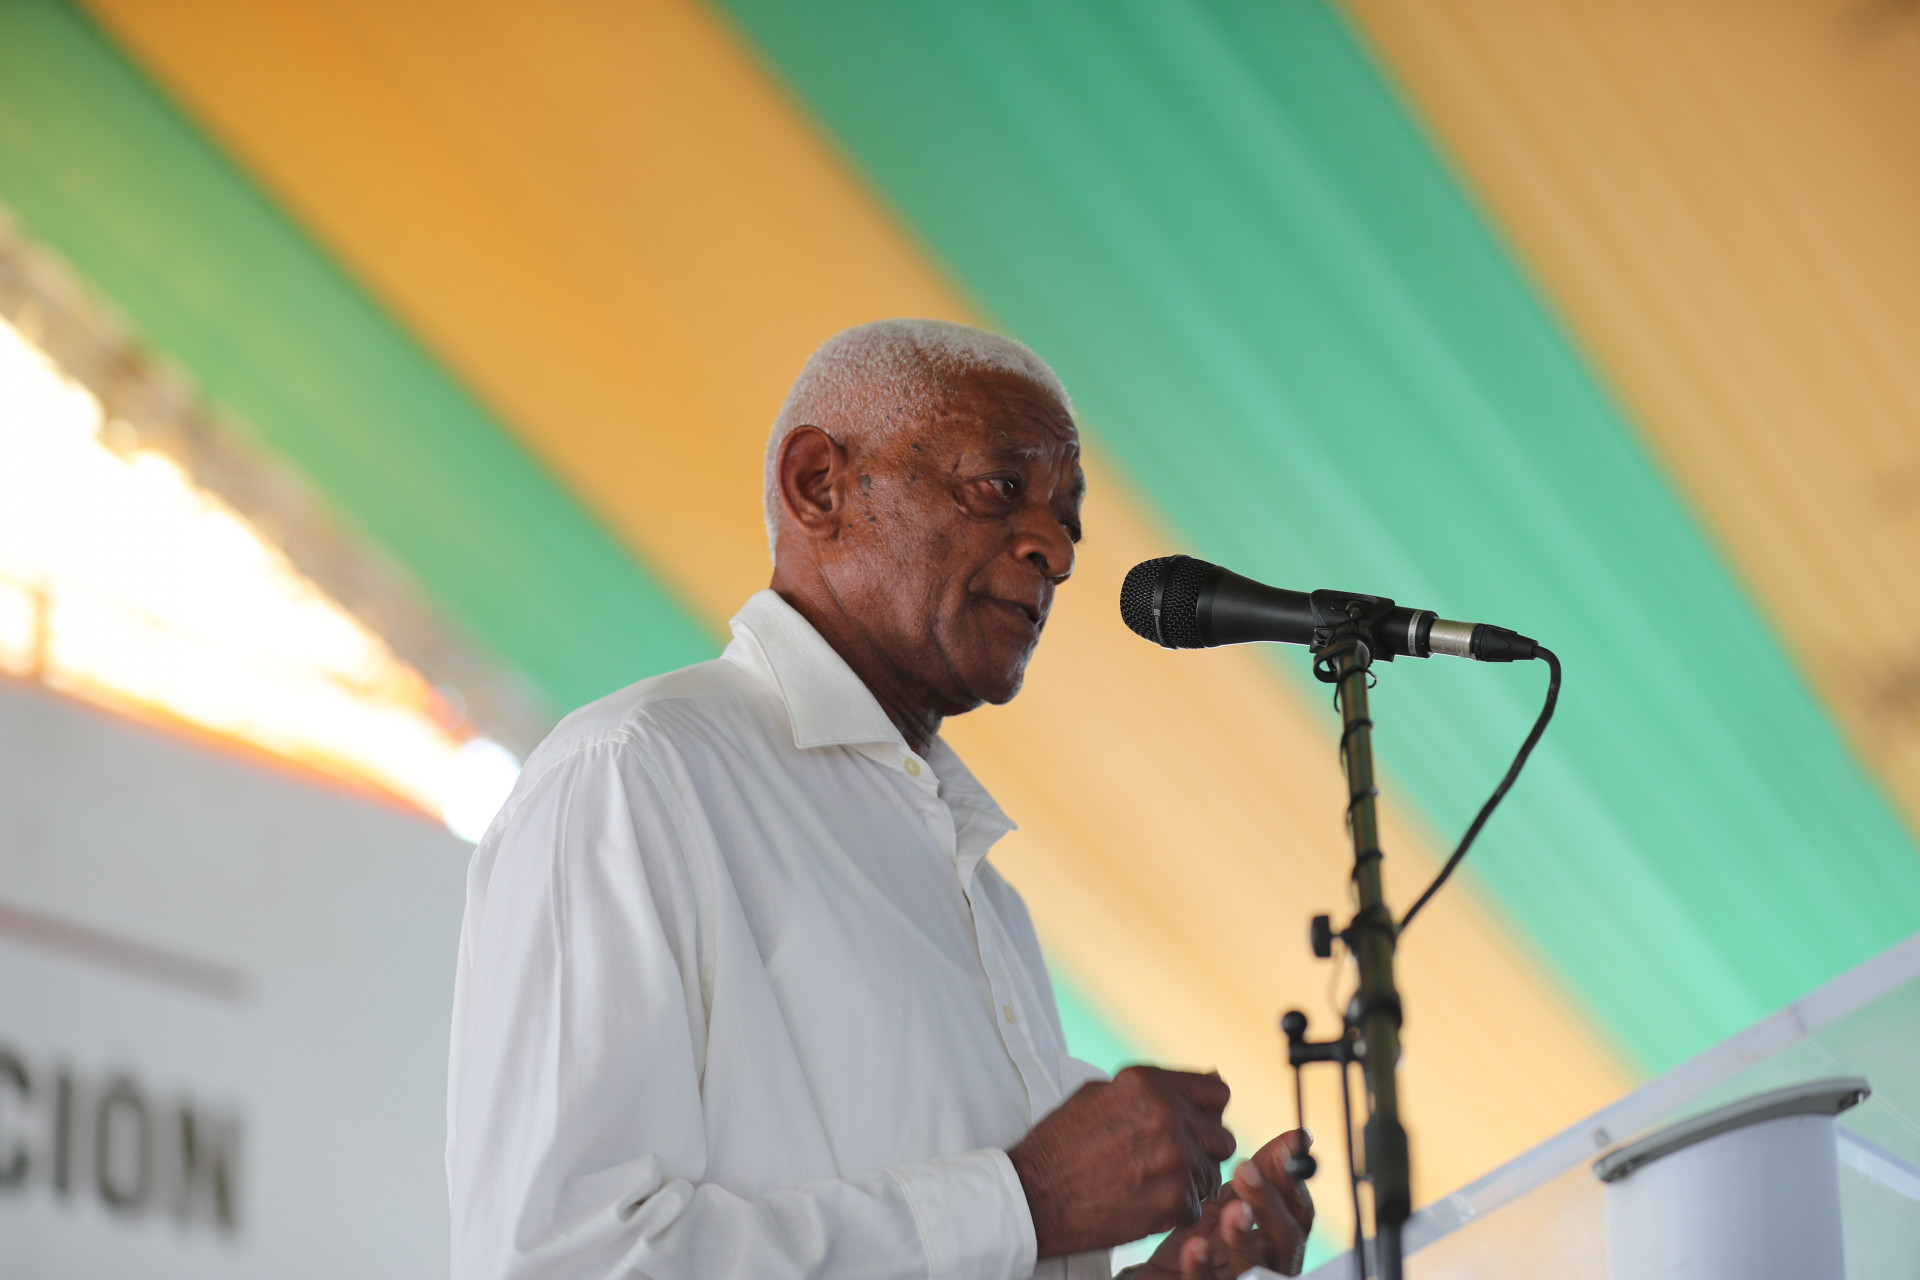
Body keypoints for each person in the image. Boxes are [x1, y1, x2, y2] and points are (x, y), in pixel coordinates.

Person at [447, 320, 1314, 1280]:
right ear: (818, 485)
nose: (1055, 551)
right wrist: (1028, 1197)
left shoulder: (987, 902)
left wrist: (1167, 1273)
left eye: (1068, 519)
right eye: (1002, 487)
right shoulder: (635, 776)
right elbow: (564, 1258)